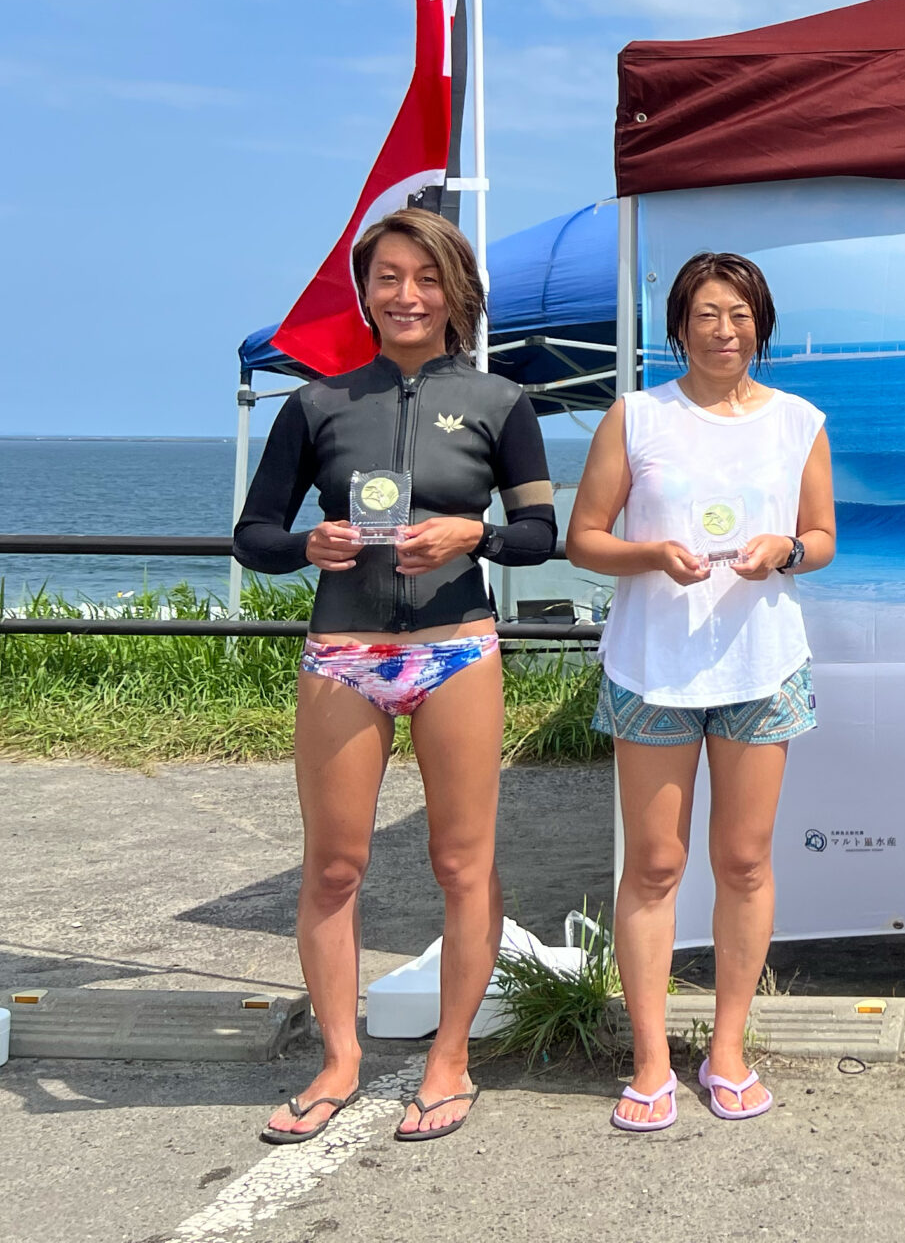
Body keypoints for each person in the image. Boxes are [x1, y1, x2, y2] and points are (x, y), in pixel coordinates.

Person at [234, 208, 557, 1145]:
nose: (407, 295)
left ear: (456, 294)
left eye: (426, 278)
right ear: (365, 293)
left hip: (457, 649)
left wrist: (474, 534)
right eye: (388, 277)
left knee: (462, 863)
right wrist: (308, 544)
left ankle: (449, 1058)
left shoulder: (502, 404)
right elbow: (254, 536)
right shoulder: (317, 405)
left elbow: (539, 535)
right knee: (335, 866)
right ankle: (339, 1060)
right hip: (344, 654)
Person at [567, 252, 836, 1133]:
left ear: (762, 324)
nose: (726, 330)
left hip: (762, 665)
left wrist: (784, 551)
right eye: (707, 314)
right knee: (654, 865)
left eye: (741, 313)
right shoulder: (638, 416)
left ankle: (727, 1048)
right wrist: (651, 555)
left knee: (745, 862)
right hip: (654, 667)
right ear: (678, 326)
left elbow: (822, 537)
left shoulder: (798, 421)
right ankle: (650, 1060)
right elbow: (584, 538)